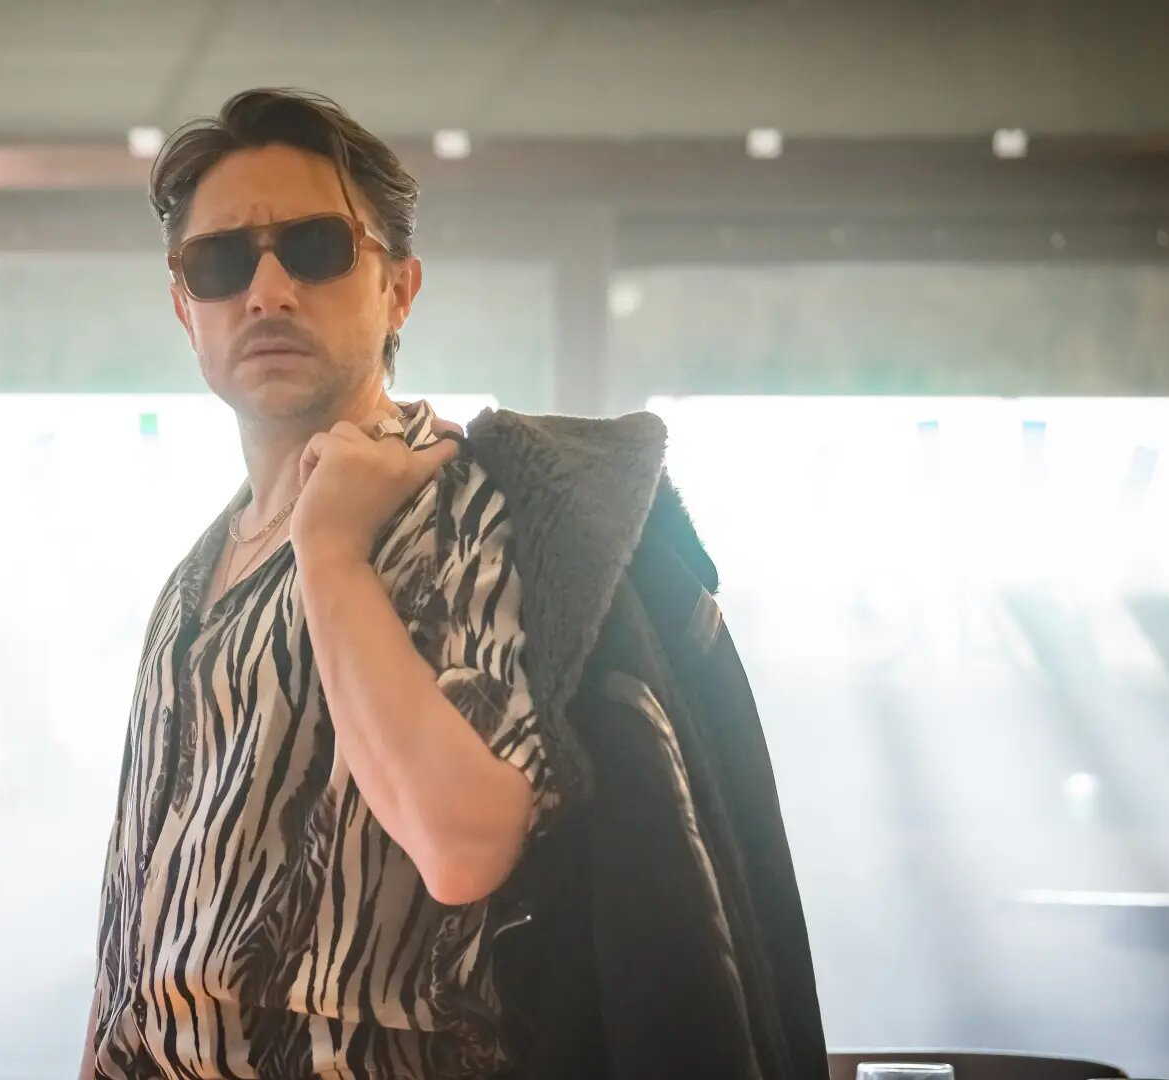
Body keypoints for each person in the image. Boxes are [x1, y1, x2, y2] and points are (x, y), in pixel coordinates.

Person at [84, 89, 828, 1080]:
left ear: (398, 289)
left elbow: (465, 842)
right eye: (220, 263)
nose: (265, 291)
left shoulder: (463, 507)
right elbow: (133, 939)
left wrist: (332, 552)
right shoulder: (196, 574)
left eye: (313, 247)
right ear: (186, 308)